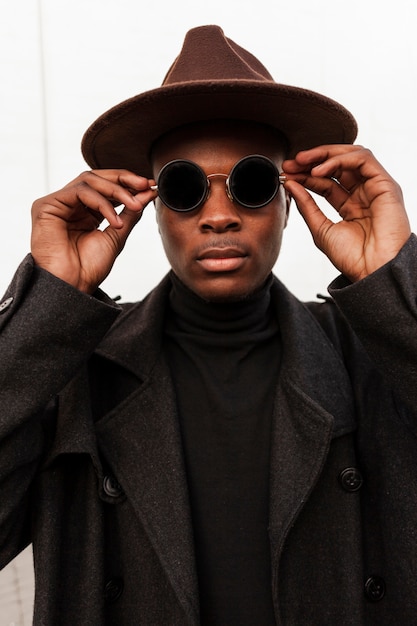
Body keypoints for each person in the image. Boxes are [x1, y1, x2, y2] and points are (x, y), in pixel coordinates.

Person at [0, 24, 416, 626]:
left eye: (251, 185)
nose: (219, 215)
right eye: (184, 187)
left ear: (291, 201)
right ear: (150, 205)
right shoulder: (71, 372)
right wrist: (48, 307)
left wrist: (395, 286)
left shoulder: (373, 357)